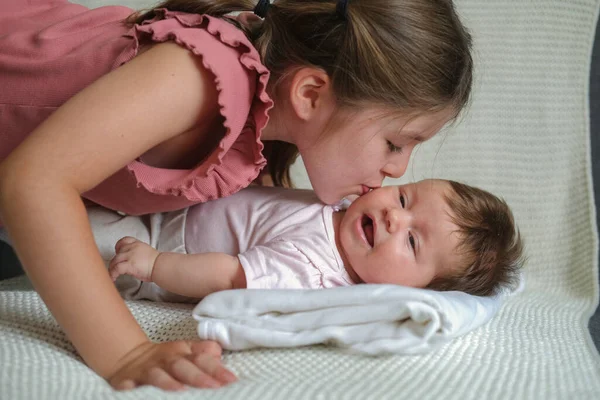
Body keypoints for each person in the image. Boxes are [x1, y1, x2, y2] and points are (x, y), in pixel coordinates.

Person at [0, 0, 473, 391]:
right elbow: (34, 183)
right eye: (396, 142)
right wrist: (127, 351)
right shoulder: (199, 78)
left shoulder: (260, 135)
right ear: (310, 94)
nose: (398, 169)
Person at [98, 180, 523, 301]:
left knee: (67, 232)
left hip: (157, 245)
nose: (395, 216)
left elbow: (230, 277)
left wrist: (155, 266)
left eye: (412, 242)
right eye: (404, 197)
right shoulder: (341, 214)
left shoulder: (315, 269)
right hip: (175, 197)